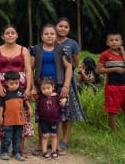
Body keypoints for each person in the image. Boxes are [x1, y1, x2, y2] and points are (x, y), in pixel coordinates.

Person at [0, 24, 33, 157]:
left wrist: (28, 87)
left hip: (20, 84)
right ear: (3, 36)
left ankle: (20, 147)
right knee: (3, 114)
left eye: (12, 33)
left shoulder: (24, 50)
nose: (10, 35)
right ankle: (4, 146)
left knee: (21, 113)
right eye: (7, 33)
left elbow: (28, 69)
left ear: (17, 35)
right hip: (2, 85)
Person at [30, 23, 72, 156]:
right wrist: (32, 87)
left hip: (58, 86)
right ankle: (39, 145)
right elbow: (29, 69)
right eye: (46, 34)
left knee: (57, 115)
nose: (49, 36)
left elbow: (69, 68)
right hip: (40, 87)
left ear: (56, 35)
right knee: (42, 115)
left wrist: (65, 86)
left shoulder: (62, 49)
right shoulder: (35, 49)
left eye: (52, 34)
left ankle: (57, 146)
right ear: (42, 36)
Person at [55, 17, 85, 151]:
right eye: (60, 26)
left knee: (67, 111)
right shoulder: (50, 40)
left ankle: (65, 140)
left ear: (69, 29)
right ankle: (54, 139)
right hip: (51, 80)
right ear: (56, 27)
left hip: (68, 81)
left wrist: (67, 77)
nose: (63, 28)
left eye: (66, 27)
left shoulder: (72, 43)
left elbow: (75, 63)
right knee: (53, 111)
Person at [96, 32, 125, 131]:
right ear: (107, 43)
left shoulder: (123, 54)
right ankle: (114, 132)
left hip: (124, 86)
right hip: (112, 86)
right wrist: (114, 69)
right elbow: (98, 70)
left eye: (117, 40)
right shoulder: (105, 54)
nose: (114, 42)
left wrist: (123, 53)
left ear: (121, 42)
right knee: (113, 110)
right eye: (111, 40)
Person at [0, 71, 30, 161]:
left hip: (19, 120)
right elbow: (1, 106)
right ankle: (4, 152)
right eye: (11, 83)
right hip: (8, 120)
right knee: (7, 138)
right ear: (6, 83)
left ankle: (16, 152)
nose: (14, 85)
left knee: (17, 138)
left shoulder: (21, 91)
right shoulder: (4, 94)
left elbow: (26, 100)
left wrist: (29, 108)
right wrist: (0, 116)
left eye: (16, 83)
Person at [36, 78, 67, 159]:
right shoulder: (40, 97)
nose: (46, 90)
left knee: (54, 135)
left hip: (54, 120)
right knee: (45, 136)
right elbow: (34, 99)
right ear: (40, 89)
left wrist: (64, 100)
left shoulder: (56, 96)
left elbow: (62, 103)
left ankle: (53, 151)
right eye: (43, 88)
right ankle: (44, 152)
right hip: (44, 121)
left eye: (48, 88)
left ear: (53, 87)